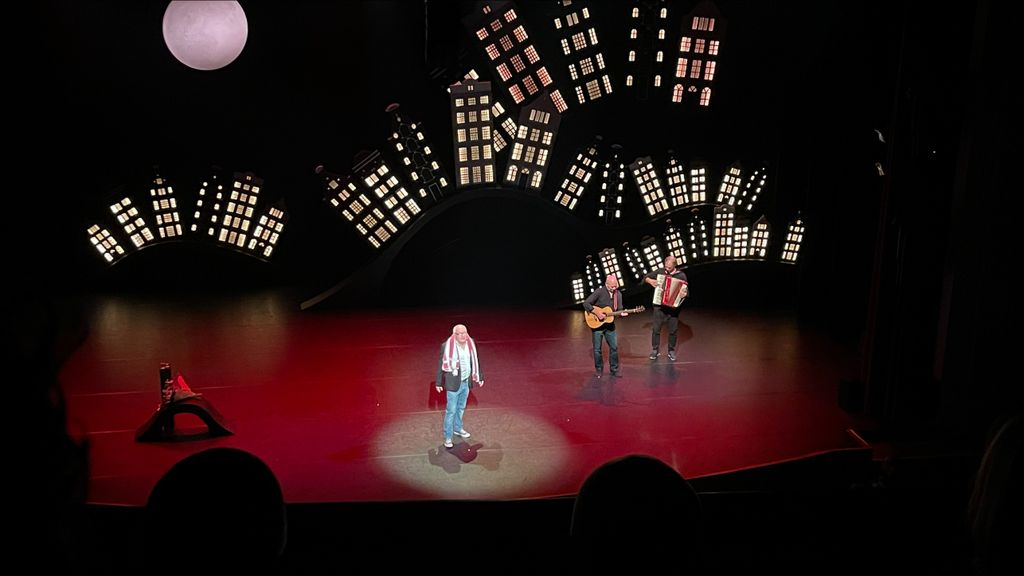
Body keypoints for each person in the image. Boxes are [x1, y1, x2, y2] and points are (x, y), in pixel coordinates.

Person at [435, 324, 484, 449]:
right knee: (451, 411)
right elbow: (441, 364)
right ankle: (448, 437)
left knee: (461, 408)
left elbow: (475, 360)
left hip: (466, 383)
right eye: (460, 333)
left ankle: (457, 428)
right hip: (453, 384)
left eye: (465, 333)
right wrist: (439, 382)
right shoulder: (446, 346)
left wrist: (480, 377)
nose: (463, 336)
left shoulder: (471, 343)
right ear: (454, 335)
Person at [644, 255, 688, 361]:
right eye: (665, 266)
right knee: (656, 329)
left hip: (673, 308)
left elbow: (686, 291)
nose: (666, 269)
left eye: (669, 267)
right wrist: (651, 281)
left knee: (673, 330)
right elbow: (646, 277)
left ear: (674, 265)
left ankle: (671, 350)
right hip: (659, 305)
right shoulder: (660, 272)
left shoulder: (681, 275)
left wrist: (683, 293)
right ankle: (655, 350)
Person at [583, 274, 627, 378]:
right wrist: (597, 313)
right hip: (597, 326)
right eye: (612, 286)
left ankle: (614, 369)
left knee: (614, 347)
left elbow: (619, 310)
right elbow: (586, 303)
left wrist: (622, 314)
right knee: (597, 349)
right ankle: (599, 370)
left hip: (610, 326)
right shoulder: (599, 292)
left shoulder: (618, 294)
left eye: (616, 286)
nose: (614, 288)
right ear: (606, 285)